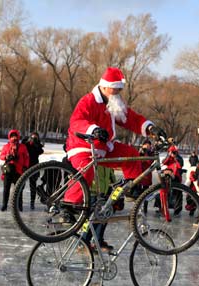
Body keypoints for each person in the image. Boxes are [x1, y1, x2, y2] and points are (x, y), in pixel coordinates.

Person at [63, 66, 166, 206]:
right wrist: (93, 130)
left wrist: (150, 128)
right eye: (116, 88)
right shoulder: (88, 101)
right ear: (105, 87)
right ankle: (68, 207)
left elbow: (130, 119)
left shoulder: (113, 103)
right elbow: (77, 121)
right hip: (82, 146)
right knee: (85, 172)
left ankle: (130, 188)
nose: (118, 92)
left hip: (105, 147)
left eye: (120, 89)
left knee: (132, 154)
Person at [0, 129, 29, 211]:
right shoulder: (6, 146)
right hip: (8, 170)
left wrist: (25, 166)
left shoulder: (22, 147)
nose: (14, 138)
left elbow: (26, 157)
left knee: (19, 190)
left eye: (15, 136)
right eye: (12, 136)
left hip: (19, 170)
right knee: (6, 189)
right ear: (9, 137)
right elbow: (1, 156)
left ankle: (19, 206)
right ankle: (4, 205)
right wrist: (6, 157)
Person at [22, 131, 44, 209]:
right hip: (25, 166)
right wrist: (26, 141)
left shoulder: (37, 146)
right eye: (32, 137)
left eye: (35, 138)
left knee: (33, 186)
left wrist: (36, 144)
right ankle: (19, 202)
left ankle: (32, 202)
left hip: (34, 167)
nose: (33, 139)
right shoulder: (27, 145)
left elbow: (41, 151)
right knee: (21, 184)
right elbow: (22, 146)